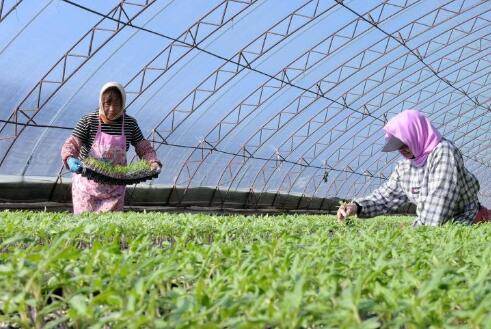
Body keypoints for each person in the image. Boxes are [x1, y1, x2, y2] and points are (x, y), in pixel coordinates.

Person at [337, 109, 490, 226]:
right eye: (398, 146)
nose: (402, 150)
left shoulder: (443, 153)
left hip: (469, 222)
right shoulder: (405, 168)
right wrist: (356, 206)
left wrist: (414, 235)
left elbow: (439, 204)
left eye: (405, 144)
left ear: (417, 135)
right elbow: (385, 197)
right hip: (440, 229)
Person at [61, 82, 162, 214]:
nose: (112, 109)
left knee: (111, 229)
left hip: (115, 187)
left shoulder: (129, 124)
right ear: (101, 102)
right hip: (87, 186)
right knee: (85, 227)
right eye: (108, 103)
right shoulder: (89, 120)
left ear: (123, 103)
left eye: (117, 104)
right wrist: (69, 158)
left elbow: (144, 148)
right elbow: (72, 143)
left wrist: (152, 161)